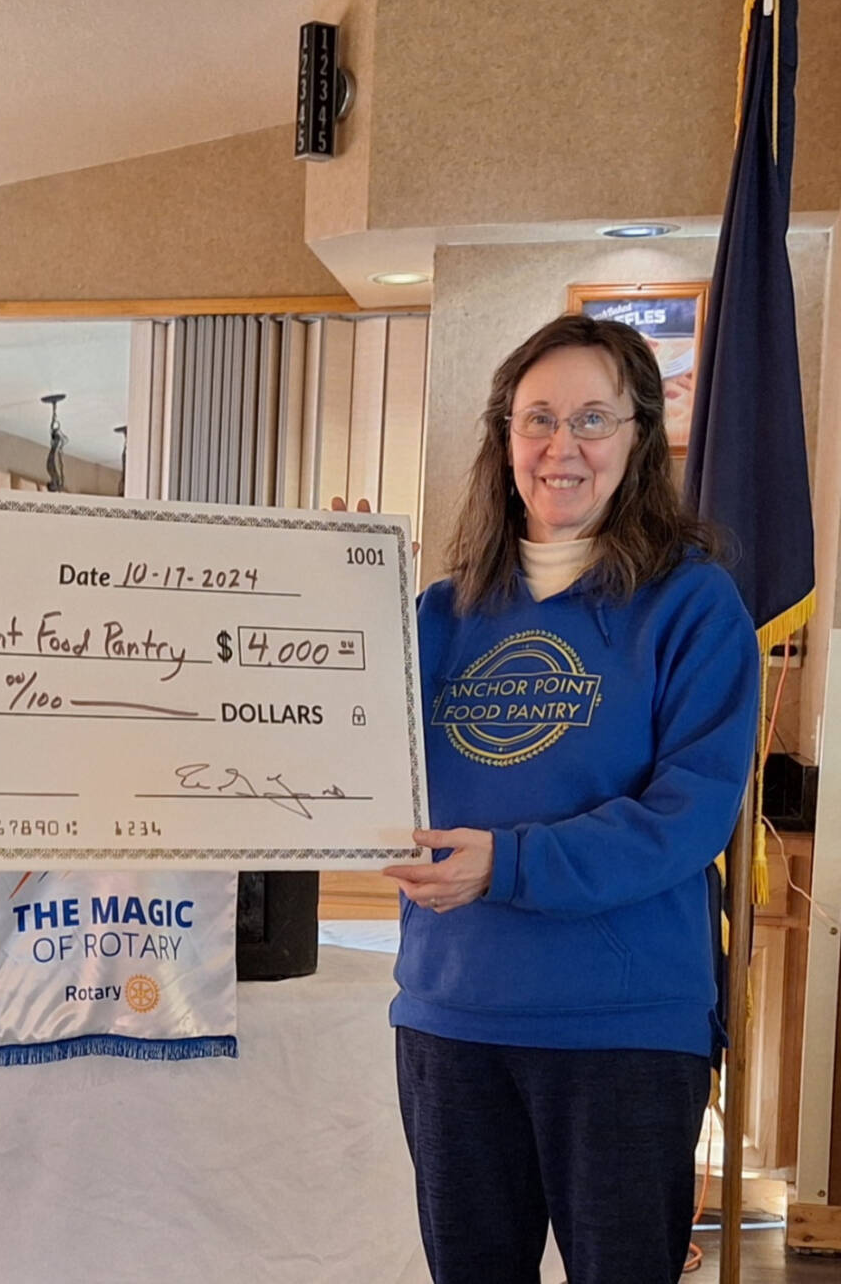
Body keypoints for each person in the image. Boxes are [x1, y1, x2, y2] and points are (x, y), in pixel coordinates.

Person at [383, 314, 758, 1284]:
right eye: (537, 418)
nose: (563, 446)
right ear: (504, 437)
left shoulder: (693, 603)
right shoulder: (432, 615)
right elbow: (365, 775)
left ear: (639, 436)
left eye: (593, 418)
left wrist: (508, 864)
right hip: (453, 1020)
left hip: (623, 1029)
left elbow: (692, 810)